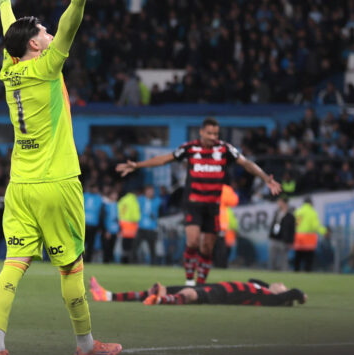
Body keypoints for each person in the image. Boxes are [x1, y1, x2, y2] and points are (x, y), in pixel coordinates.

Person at [0, 0, 121, 355]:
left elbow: (11, 34)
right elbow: (71, 26)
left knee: (13, 265)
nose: (49, 33)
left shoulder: (10, 69)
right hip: (57, 182)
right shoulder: (46, 67)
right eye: (42, 32)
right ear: (36, 47)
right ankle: (85, 347)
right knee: (71, 268)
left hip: (20, 185)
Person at [117, 118, 281, 285]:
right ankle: (189, 281)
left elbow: (246, 163)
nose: (212, 137)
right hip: (193, 203)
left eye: (215, 134)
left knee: (207, 248)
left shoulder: (225, 149)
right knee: (193, 241)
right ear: (201, 132)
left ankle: (200, 283)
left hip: (213, 206)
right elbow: (165, 159)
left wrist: (266, 178)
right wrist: (137, 165)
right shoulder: (190, 148)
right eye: (209, 133)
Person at [89, 276, 306, 307]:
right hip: (216, 286)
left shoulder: (270, 298)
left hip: (224, 295)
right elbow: (253, 280)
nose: (281, 284)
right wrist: (269, 285)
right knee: (160, 287)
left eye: (283, 287)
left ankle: (162, 301)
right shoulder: (261, 287)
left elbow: (293, 293)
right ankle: (108, 296)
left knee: (191, 294)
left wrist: (299, 296)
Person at [293, 197, 327, 272]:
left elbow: (295, 224)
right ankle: (307, 272)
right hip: (308, 238)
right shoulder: (312, 212)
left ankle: (296, 272)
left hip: (298, 237)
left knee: (298, 257)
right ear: (310, 203)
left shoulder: (298, 211)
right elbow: (315, 226)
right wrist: (324, 231)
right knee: (308, 258)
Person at [133, 185, 160, 264]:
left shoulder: (157, 201)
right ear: (145, 192)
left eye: (151, 191)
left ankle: (153, 264)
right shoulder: (140, 200)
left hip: (152, 228)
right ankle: (133, 263)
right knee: (135, 246)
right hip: (141, 227)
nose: (150, 193)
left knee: (152, 248)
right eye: (148, 191)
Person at [268, 196, 295, 271]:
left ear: (284, 203)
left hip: (284, 240)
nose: (278, 203)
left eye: (279, 201)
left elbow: (292, 230)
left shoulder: (290, 216)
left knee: (283, 259)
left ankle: (284, 273)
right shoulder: (277, 213)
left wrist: (290, 242)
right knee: (272, 258)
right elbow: (274, 225)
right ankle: (271, 272)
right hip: (275, 238)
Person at [117, 190, 140, 264]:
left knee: (124, 246)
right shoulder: (134, 201)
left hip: (123, 225)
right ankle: (130, 261)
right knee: (131, 246)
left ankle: (123, 261)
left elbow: (118, 211)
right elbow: (135, 216)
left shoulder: (123, 200)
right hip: (132, 227)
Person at [83, 185, 103, 262]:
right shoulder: (85, 196)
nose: (95, 189)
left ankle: (88, 260)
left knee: (91, 244)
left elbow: (101, 213)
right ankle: (79, 260)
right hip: (84, 224)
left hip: (94, 225)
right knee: (81, 244)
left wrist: (100, 226)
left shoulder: (99, 198)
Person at [102, 189, 119, 264]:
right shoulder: (106, 205)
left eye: (116, 194)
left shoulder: (118, 205)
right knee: (106, 247)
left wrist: (119, 230)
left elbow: (119, 218)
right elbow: (104, 218)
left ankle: (111, 261)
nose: (115, 196)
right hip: (108, 230)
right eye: (113, 194)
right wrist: (106, 230)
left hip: (115, 229)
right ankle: (106, 261)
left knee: (112, 247)